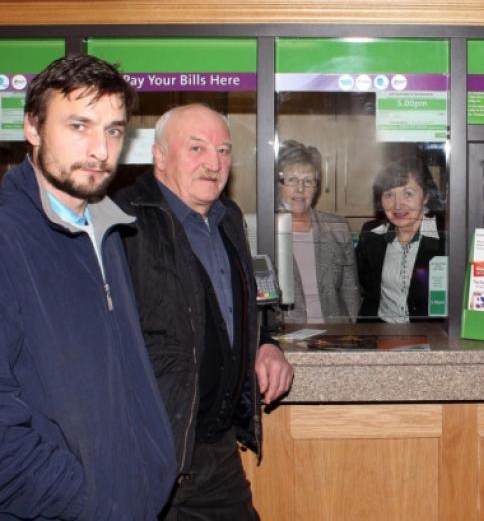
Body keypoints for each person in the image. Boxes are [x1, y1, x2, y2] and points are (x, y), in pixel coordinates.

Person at [0, 54, 176, 518]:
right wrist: (81, 497)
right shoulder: (7, 233)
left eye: (114, 130)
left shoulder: (105, 224)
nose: (100, 149)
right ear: (33, 129)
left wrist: (150, 469)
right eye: (79, 126)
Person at [115, 104, 294, 520]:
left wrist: (263, 345)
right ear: (159, 156)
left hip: (216, 448)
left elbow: (232, 309)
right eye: (196, 148)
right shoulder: (123, 221)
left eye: (223, 150)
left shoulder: (228, 218)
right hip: (154, 455)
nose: (213, 163)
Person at [277, 140, 360, 323]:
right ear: (277, 184)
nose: (300, 189)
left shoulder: (337, 228)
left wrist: (351, 334)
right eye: (292, 180)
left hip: (334, 338)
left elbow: (350, 290)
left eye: (308, 181)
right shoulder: (263, 232)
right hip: (286, 341)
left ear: (316, 187)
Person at [356, 156, 446, 322]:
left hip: (431, 337)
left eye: (408, 194)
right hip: (380, 335)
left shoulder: (446, 239)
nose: (397, 205)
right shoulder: (371, 234)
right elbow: (366, 292)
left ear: (425, 196)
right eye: (389, 195)